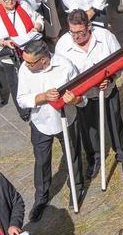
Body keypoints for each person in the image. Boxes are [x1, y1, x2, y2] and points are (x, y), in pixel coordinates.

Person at [54, 12, 123, 177]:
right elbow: (61, 74)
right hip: (83, 98)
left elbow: (120, 61)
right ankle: (94, 159)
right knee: (88, 130)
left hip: (107, 91)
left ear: (89, 26)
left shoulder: (105, 37)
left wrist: (111, 78)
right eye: (72, 32)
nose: (76, 36)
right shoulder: (62, 46)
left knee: (115, 122)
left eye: (80, 32)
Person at [16, 40, 83, 220]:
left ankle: (76, 188)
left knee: (73, 155)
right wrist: (42, 97)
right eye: (25, 61)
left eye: (31, 62)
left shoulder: (65, 66)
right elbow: (21, 99)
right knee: (41, 161)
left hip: (66, 120)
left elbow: (80, 96)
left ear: (44, 60)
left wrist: (74, 99)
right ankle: (41, 198)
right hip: (40, 122)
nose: (26, 65)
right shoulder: (25, 69)